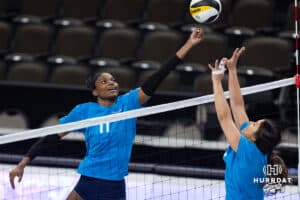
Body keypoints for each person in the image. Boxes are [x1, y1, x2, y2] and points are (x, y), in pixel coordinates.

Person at [9, 29, 204, 200]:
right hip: (89, 179)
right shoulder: (84, 111)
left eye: (113, 80)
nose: (111, 83)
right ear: (95, 91)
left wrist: (188, 45)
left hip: (113, 184)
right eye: (104, 81)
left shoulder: (129, 103)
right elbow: (51, 137)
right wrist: (23, 163)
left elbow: (158, 76)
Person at [208, 47, 288, 199]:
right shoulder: (257, 149)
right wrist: (232, 70)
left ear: (255, 138)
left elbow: (224, 117)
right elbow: (237, 106)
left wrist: (216, 81)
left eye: (254, 124)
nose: (250, 122)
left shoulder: (247, 151)